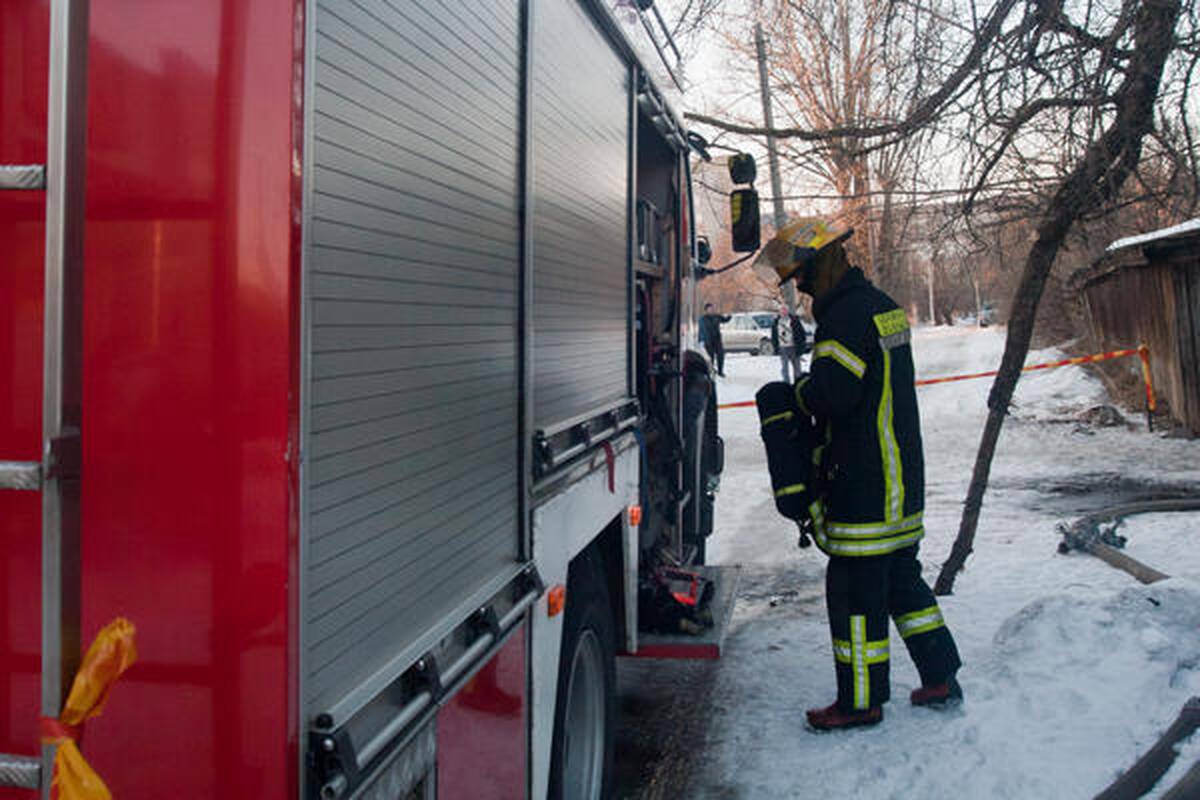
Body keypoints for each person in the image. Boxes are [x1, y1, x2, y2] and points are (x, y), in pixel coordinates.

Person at [754, 217, 962, 731]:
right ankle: (941, 678)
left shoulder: (844, 318)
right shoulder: (884, 308)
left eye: (803, 274)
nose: (799, 285)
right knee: (902, 583)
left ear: (827, 261)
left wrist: (796, 395)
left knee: (853, 593)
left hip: (863, 483)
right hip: (900, 479)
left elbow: (833, 396)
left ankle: (860, 702)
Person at [771, 305, 807, 383]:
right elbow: (773, 336)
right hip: (782, 348)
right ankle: (786, 384)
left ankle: (797, 383)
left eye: (785, 310)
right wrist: (775, 347)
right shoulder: (776, 322)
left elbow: (802, 334)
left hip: (794, 347)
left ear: (788, 311)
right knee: (784, 368)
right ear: (779, 312)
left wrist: (801, 346)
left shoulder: (794, 320)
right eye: (782, 310)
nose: (783, 312)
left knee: (797, 369)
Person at [699, 303, 730, 377]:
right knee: (711, 357)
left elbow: (725, 320)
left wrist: (729, 316)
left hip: (717, 340)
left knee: (720, 355)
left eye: (712, 309)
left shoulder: (716, 317)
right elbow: (701, 330)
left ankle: (720, 371)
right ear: (706, 310)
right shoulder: (702, 319)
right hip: (708, 341)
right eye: (709, 309)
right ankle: (711, 371)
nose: (711, 310)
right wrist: (701, 340)